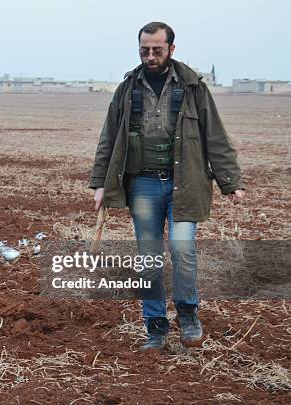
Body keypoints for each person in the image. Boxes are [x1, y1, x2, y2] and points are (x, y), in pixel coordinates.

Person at [88, 21, 245, 350]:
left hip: (184, 185)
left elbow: (214, 134)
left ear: (171, 49)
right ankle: (156, 327)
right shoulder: (127, 88)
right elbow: (109, 138)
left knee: (182, 250)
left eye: (157, 50)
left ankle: (188, 315)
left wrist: (230, 181)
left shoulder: (191, 86)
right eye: (144, 50)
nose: (150, 56)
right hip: (142, 186)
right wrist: (100, 183)